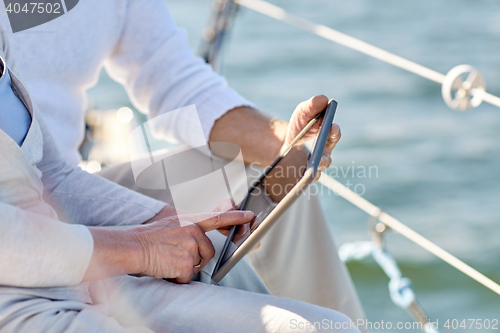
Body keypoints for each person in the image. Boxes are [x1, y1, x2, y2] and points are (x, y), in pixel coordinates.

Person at [0, 0, 364, 321]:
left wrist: (281, 141)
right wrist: (142, 246)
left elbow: (170, 75)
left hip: (61, 179)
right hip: (16, 216)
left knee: (270, 176)